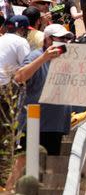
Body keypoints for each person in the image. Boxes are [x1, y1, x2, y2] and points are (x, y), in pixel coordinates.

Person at [13, 24, 72, 158]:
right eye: (61, 39)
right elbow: (19, 77)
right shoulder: (35, 56)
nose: (64, 42)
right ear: (48, 39)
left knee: (48, 169)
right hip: (34, 126)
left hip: (55, 125)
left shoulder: (68, 59)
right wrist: (44, 58)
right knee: (27, 169)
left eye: (66, 39)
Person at [0, 15, 31, 86]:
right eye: (27, 30)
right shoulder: (21, 41)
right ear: (22, 29)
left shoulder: (1, 38)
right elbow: (26, 67)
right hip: (4, 86)